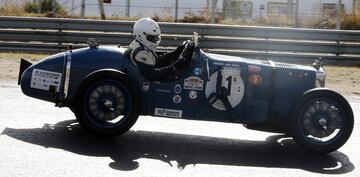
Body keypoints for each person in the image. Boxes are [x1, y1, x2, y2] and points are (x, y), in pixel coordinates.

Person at [127, 18, 194, 82]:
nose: (155, 40)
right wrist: (175, 67)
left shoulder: (141, 45)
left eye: (156, 37)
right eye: (152, 37)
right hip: (149, 83)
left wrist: (177, 51)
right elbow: (153, 75)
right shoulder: (141, 53)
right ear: (141, 36)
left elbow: (157, 61)